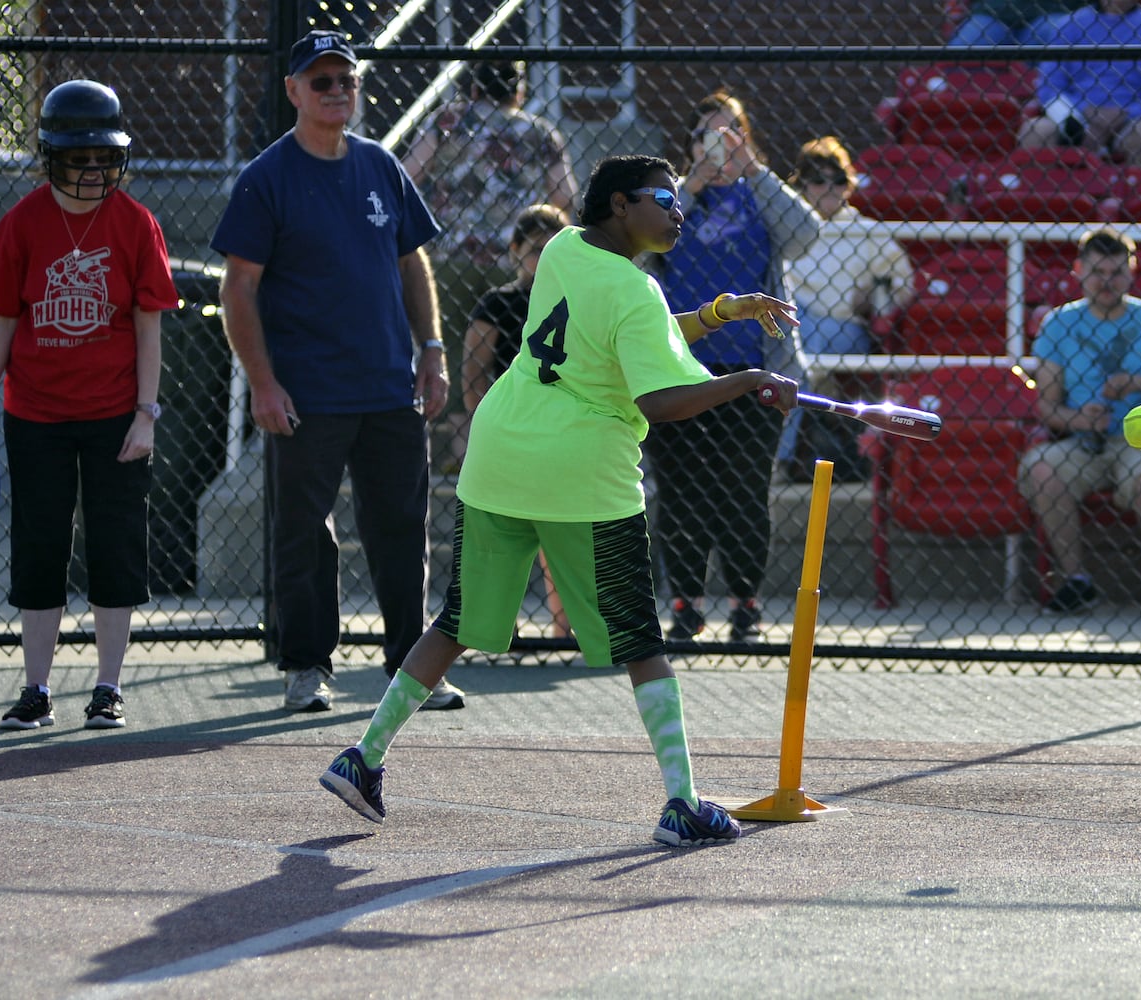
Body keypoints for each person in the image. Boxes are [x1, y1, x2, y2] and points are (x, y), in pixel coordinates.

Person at [318, 154, 801, 846]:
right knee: (641, 640)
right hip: (580, 476)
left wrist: (721, 313)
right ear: (617, 206)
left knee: (454, 623)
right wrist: (746, 377)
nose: (677, 209)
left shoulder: (566, 250)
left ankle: (361, 760)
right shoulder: (633, 291)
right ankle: (682, 805)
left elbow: (638, 334)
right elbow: (659, 398)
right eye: (662, 198)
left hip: (501, 457)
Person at [212, 29, 464, 714]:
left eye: (344, 80)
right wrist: (263, 383)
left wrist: (432, 350)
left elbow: (413, 262)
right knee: (304, 533)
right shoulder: (266, 178)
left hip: (388, 388)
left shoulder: (382, 167)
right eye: (319, 81)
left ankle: (411, 671)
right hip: (306, 394)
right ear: (292, 91)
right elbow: (237, 289)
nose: (334, 91)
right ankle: (305, 667)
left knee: (400, 529)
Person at [0, 79, 177, 731]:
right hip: (36, 414)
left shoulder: (136, 223)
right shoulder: (22, 222)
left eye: (100, 158)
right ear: (50, 157)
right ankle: (36, 689)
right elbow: (3, 320)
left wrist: (146, 412)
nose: (91, 171)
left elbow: (148, 323)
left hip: (115, 413)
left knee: (116, 546)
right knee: (40, 546)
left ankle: (108, 686)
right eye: (77, 158)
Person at [642, 88, 821, 643]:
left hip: (753, 371)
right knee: (681, 491)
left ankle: (745, 603)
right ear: (689, 144)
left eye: (729, 134)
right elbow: (643, 248)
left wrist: (755, 170)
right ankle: (686, 605)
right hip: (679, 371)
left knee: (743, 491)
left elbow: (807, 233)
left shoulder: (761, 196)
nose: (717, 146)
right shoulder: (670, 200)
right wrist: (688, 186)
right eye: (706, 135)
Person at [1019, 227, 1141, 614]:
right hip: (1085, 441)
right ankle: (1076, 580)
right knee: (1042, 471)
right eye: (1097, 271)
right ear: (1078, 270)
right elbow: (1046, 407)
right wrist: (1078, 418)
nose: (1106, 281)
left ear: (1131, 273)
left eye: (1116, 272)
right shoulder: (1058, 324)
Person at [400, 59, 578, 338]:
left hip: (451, 252)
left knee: (449, 343)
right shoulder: (538, 131)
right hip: (512, 255)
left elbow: (409, 174)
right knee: (510, 347)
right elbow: (564, 195)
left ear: (474, 90)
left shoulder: (447, 120)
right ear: (519, 92)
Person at [461, 203, 573, 638]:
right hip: (511, 429)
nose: (545, 260)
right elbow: (474, 370)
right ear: (515, 251)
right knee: (501, 532)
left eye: (555, 250)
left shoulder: (575, 301)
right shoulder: (500, 303)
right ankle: (486, 628)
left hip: (564, 430)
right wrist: (486, 426)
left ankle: (567, 627)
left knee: (563, 529)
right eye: (536, 250)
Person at [778, 135, 914, 479]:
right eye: (819, 180)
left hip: (843, 326)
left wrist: (873, 297)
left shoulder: (865, 231)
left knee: (800, 350)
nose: (830, 189)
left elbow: (904, 284)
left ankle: (777, 458)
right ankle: (781, 450)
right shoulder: (787, 227)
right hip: (795, 321)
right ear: (803, 184)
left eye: (838, 181)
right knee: (796, 337)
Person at [1018, 0, 1141, 166]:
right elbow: (1049, 85)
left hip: (1130, 119)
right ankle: (1043, 191)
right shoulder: (1069, 25)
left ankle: (1132, 187)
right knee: (1037, 130)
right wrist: (1081, 114)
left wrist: (1127, 114)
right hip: (1077, 117)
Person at [947, 0, 1088, 47]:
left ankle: (1047, 105)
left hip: (1052, 13)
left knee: (1059, 33)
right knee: (966, 44)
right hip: (993, 13)